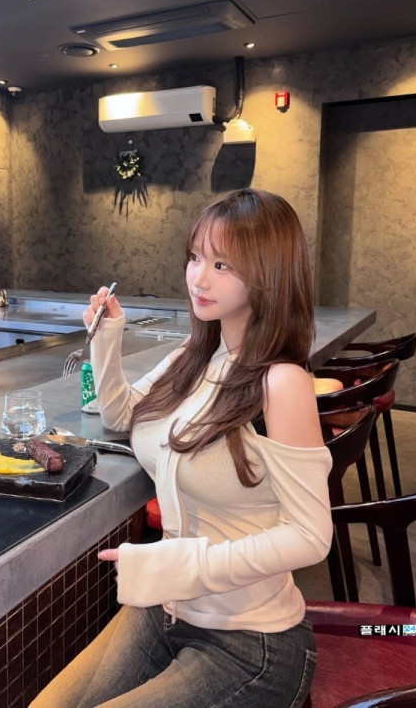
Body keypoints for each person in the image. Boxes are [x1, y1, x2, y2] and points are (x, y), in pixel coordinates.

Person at [30, 188, 333, 708]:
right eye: (195, 257)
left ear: (269, 273)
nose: (199, 278)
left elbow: (311, 536)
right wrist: (107, 335)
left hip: (250, 641)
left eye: (222, 264)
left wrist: (183, 564)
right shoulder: (195, 355)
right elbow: (121, 414)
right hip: (166, 609)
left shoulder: (281, 382)